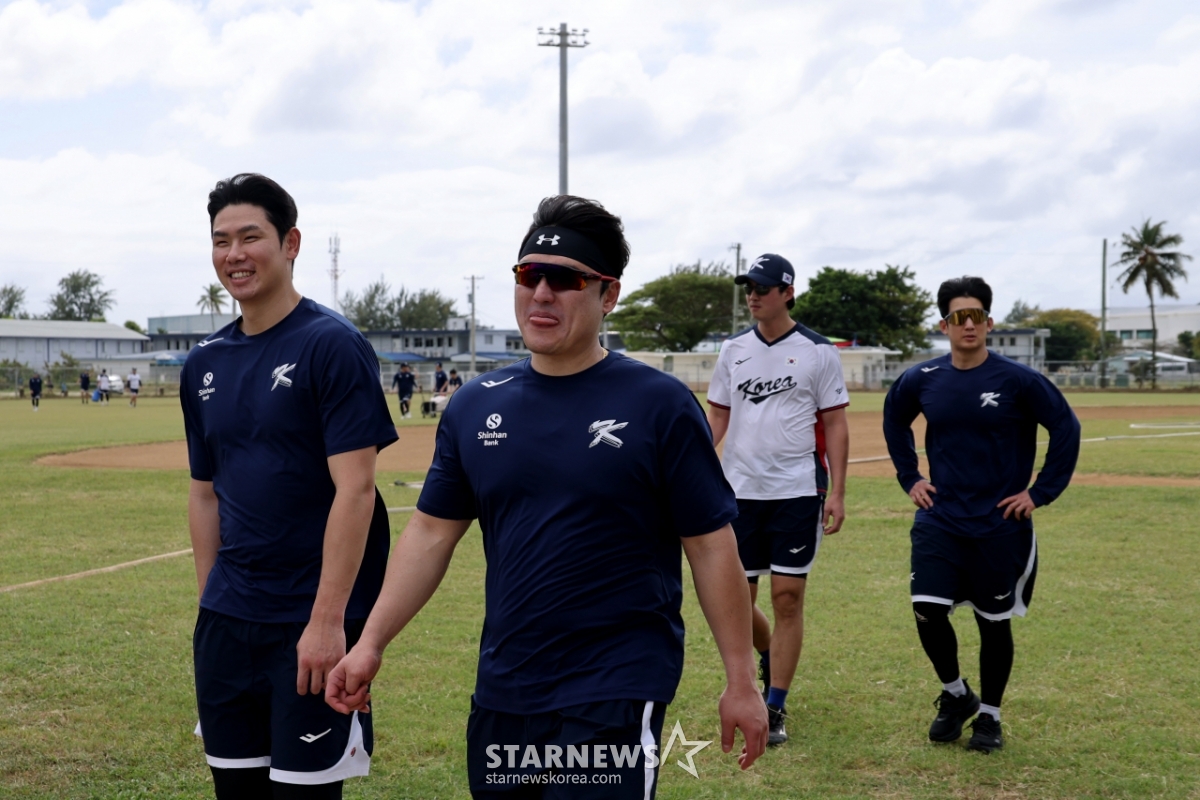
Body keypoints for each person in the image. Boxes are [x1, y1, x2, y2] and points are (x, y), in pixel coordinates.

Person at [325, 195, 768, 798]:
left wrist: (741, 680)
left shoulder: (658, 404)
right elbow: (429, 534)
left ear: (608, 295)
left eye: (565, 279)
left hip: (615, 684)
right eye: (529, 275)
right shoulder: (475, 405)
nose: (541, 293)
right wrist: (370, 643)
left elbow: (711, 546)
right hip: (505, 685)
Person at [181, 173, 398, 799]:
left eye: (251, 237)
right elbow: (204, 492)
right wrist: (211, 602)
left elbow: (356, 491)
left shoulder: (331, 345)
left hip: (307, 623)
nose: (234, 254)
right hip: (228, 623)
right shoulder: (203, 363)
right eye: (221, 240)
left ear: (290, 243)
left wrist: (327, 623)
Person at [882, 276, 1081, 754]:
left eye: (976, 316)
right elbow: (894, 419)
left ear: (989, 323)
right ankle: (956, 695)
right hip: (941, 517)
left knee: (994, 622)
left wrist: (1040, 493)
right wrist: (910, 477)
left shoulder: (1018, 380)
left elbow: (1065, 426)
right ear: (944, 325)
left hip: (999, 523)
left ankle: (989, 716)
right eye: (958, 317)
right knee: (927, 610)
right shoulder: (922, 378)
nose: (968, 325)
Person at [706, 254, 850, 747]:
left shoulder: (818, 352)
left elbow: (835, 423)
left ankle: (775, 704)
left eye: (763, 288)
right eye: (749, 287)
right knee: (737, 601)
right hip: (739, 492)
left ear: (787, 293)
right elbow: (718, 416)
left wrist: (838, 491)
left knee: (787, 597)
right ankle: (762, 660)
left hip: (797, 490)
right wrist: (695, 464)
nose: (753, 296)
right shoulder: (733, 350)